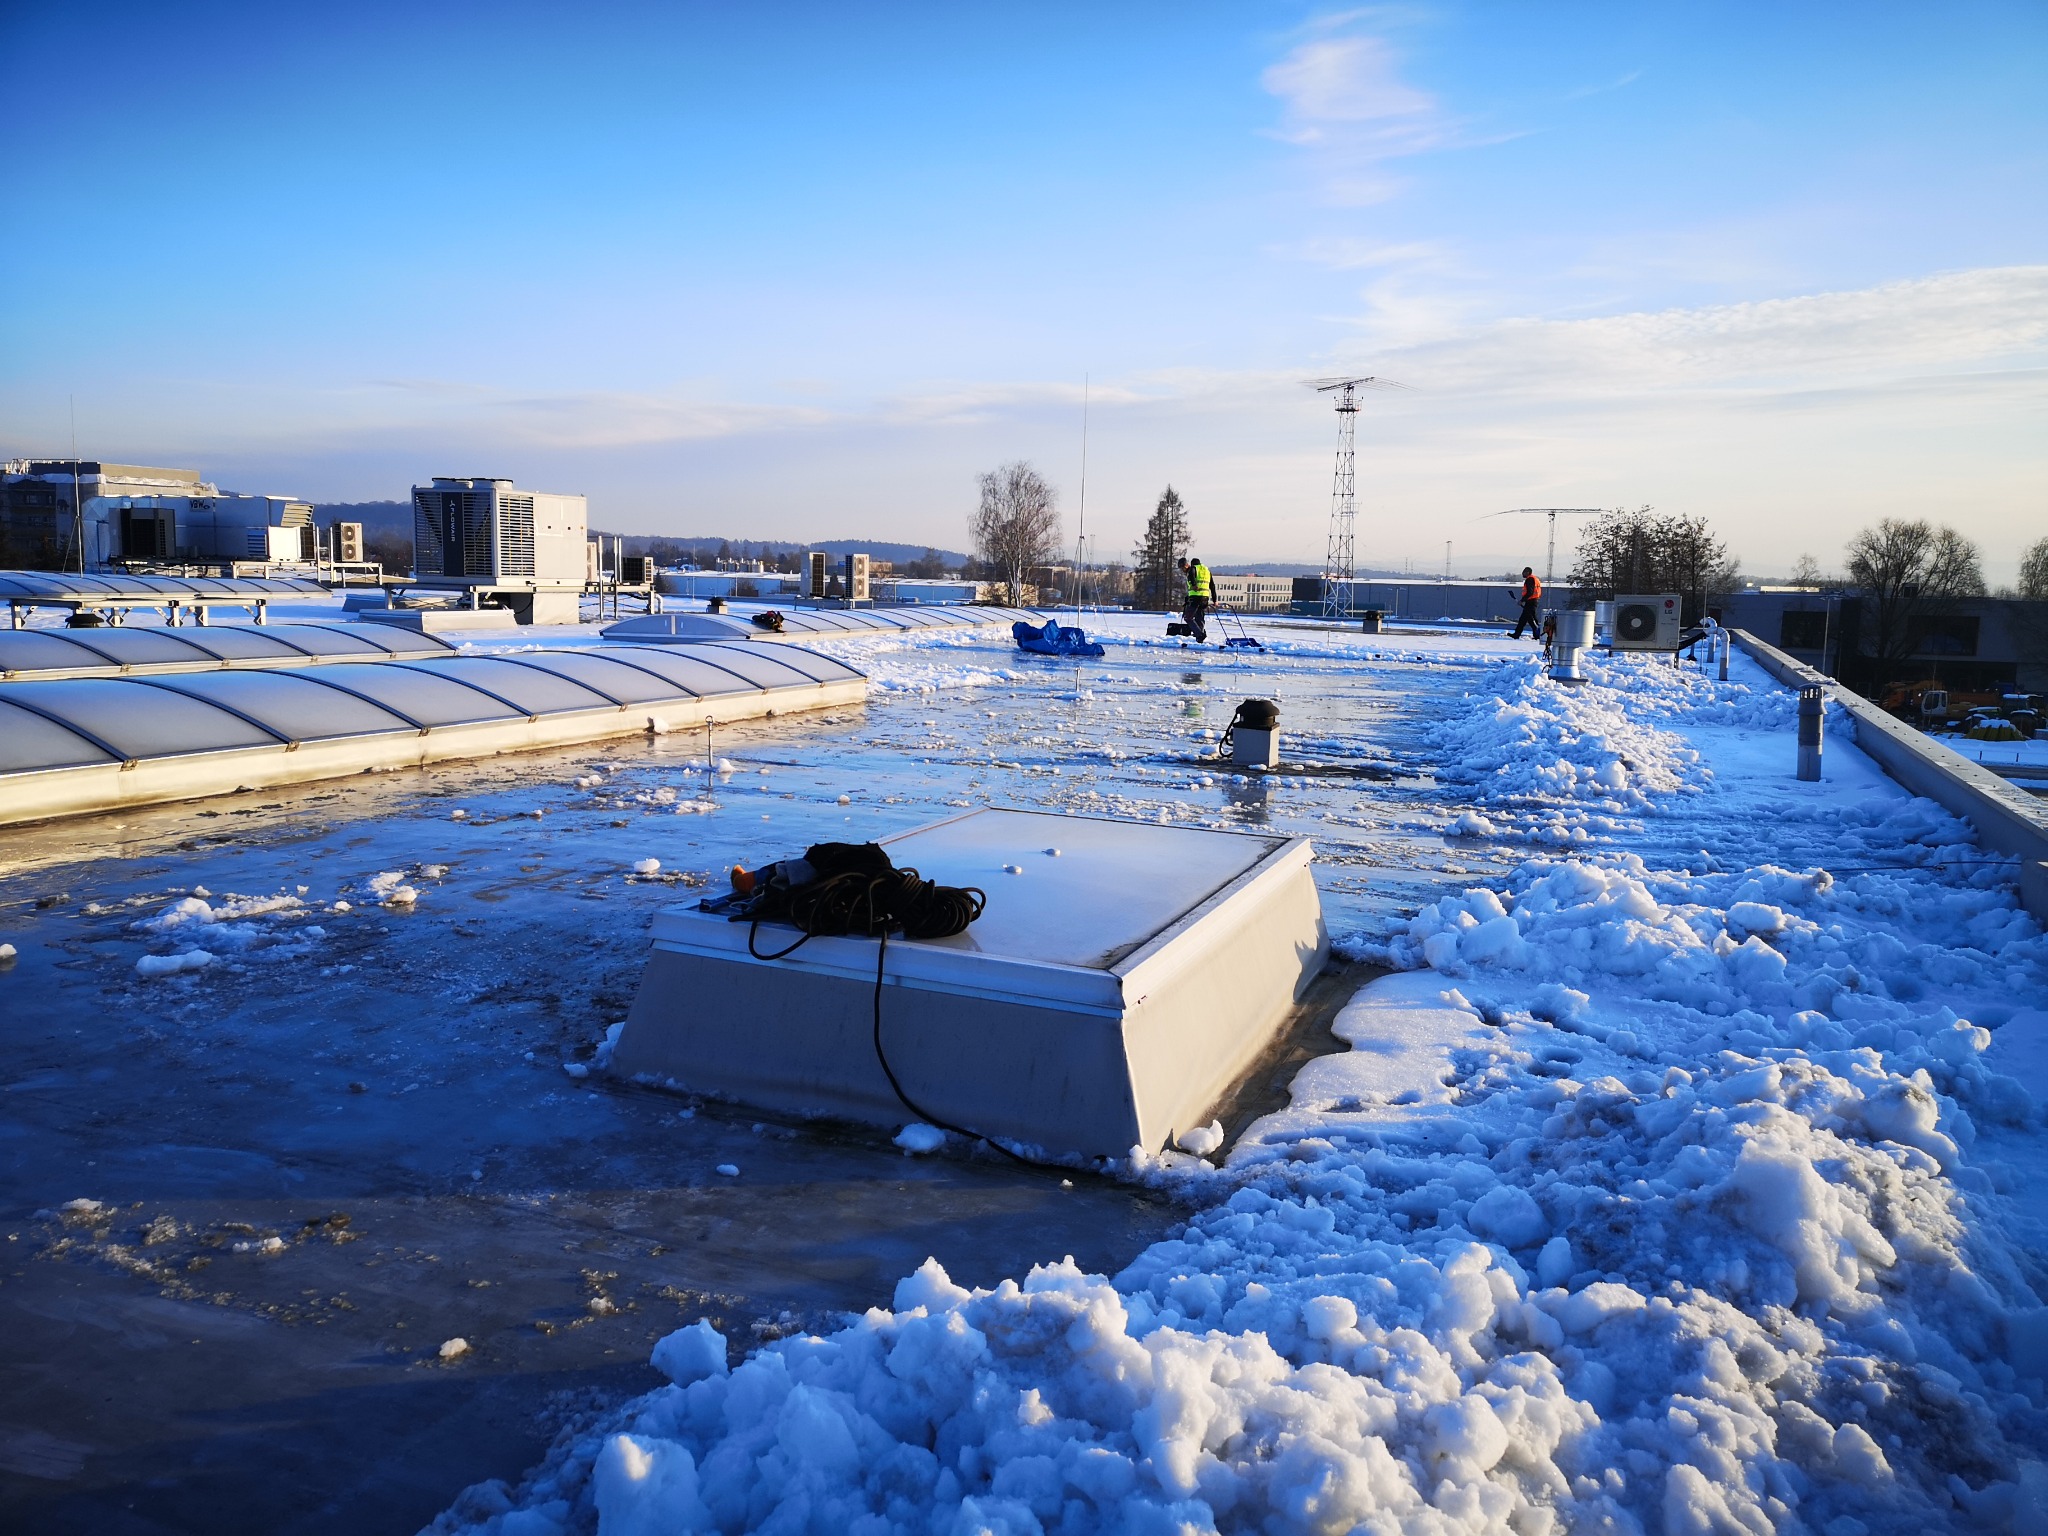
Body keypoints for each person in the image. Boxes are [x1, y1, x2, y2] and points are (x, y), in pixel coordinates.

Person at [1176, 556, 1212, 644]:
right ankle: (1200, 637)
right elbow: (1212, 585)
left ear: (1186, 565)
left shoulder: (1192, 570)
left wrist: (1194, 585)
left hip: (1196, 598)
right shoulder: (1204, 571)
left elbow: (1192, 577)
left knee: (1188, 617)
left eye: (1182, 568)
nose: (1182, 570)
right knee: (1199, 616)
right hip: (1204, 597)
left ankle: (1200, 634)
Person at [1510, 566, 1543, 640]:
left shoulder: (1530, 579)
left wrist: (1522, 600)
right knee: (1525, 619)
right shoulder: (1534, 578)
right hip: (1532, 601)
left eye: (1524, 572)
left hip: (1531, 602)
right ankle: (1517, 634)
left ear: (1528, 572)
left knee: (1530, 619)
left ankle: (1537, 634)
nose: (1522, 573)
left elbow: (1530, 592)